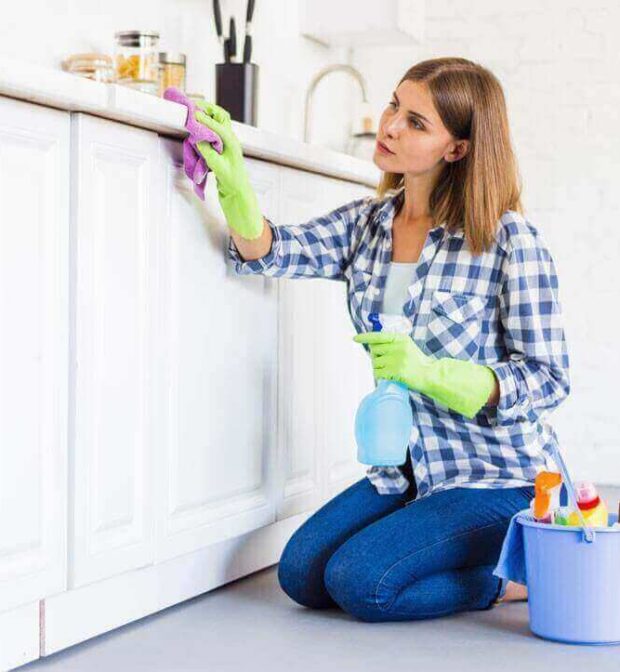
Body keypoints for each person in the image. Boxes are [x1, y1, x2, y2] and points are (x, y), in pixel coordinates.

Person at [193, 56, 571, 622]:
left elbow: (549, 378)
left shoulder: (508, 239)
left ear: (458, 149)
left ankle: (520, 577)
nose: (390, 126)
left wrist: (431, 373)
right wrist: (234, 182)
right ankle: (455, 548)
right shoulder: (368, 224)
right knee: (300, 574)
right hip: (409, 470)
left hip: (503, 478)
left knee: (361, 582)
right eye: (395, 105)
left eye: (417, 122)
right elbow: (274, 249)